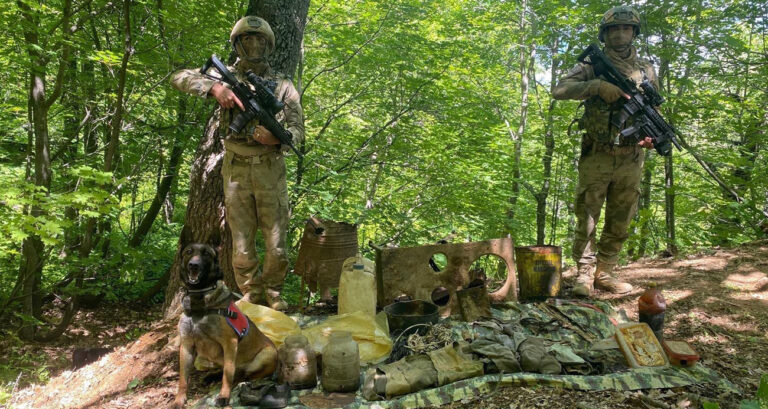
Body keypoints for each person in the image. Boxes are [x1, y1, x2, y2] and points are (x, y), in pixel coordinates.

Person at [171, 16, 305, 310]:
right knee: (242, 242)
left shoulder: (282, 85)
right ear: (238, 44)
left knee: (276, 242)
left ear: (268, 46)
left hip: (270, 167)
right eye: (247, 40)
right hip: (236, 168)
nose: (253, 45)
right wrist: (213, 89)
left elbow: (297, 129)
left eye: (259, 41)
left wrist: (277, 139)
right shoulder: (223, 76)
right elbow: (179, 77)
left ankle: (273, 294)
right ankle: (251, 294)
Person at [552, 6, 658, 297]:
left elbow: (654, 108)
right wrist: (596, 86)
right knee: (587, 214)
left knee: (621, 215)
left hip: (630, 156)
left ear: (634, 33)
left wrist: (650, 137)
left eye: (626, 29)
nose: (621, 34)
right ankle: (584, 274)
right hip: (597, 152)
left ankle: (606, 271)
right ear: (605, 34)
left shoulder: (646, 69)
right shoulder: (592, 66)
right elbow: (559, 90)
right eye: (614, 29)